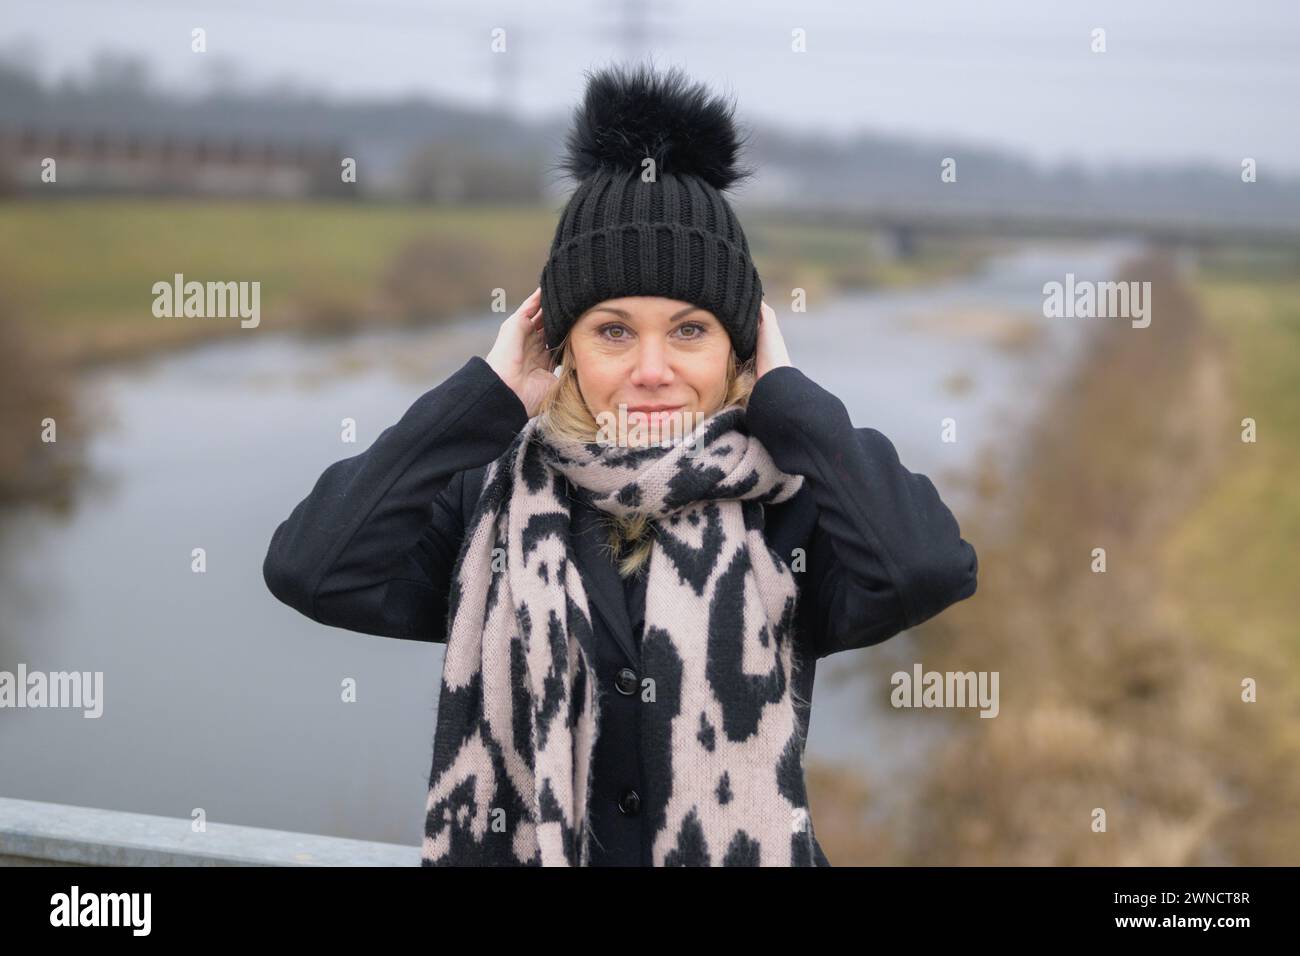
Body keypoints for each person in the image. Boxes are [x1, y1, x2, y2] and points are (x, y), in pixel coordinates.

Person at [262, 62, 978, 867]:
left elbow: (926, 567)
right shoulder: (486, 502)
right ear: (558, 344)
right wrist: (484, 398)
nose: (651, 368)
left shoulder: (790, 509)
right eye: (611, 331)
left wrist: (790, 398)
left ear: (739, 346)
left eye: (690, 331)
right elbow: (312, 568)